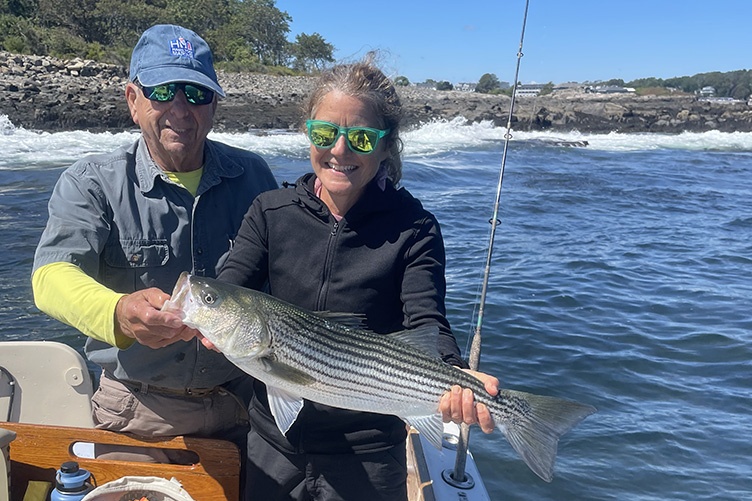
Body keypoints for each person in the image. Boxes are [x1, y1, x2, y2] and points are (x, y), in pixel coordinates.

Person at [217, 58, 499, 501]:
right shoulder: (269, 212)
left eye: (362, 138)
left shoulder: (414, 228)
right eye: (325, 134)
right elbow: (231, 286)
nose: (340, 152)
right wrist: (200, 318)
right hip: (273, 443)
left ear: (387, 147)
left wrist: (454, 375)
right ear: (308, 133)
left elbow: (426, 320)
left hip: (369, 452)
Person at [31, 24, 278, 465]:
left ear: (214, 103)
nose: (180, 109)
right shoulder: (92, 182)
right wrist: (119, 314)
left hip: (245, 402)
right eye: (163, 91)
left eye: (196, 93)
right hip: (138, 412)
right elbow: (51, 275)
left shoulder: (254, 176)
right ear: (133, 100)